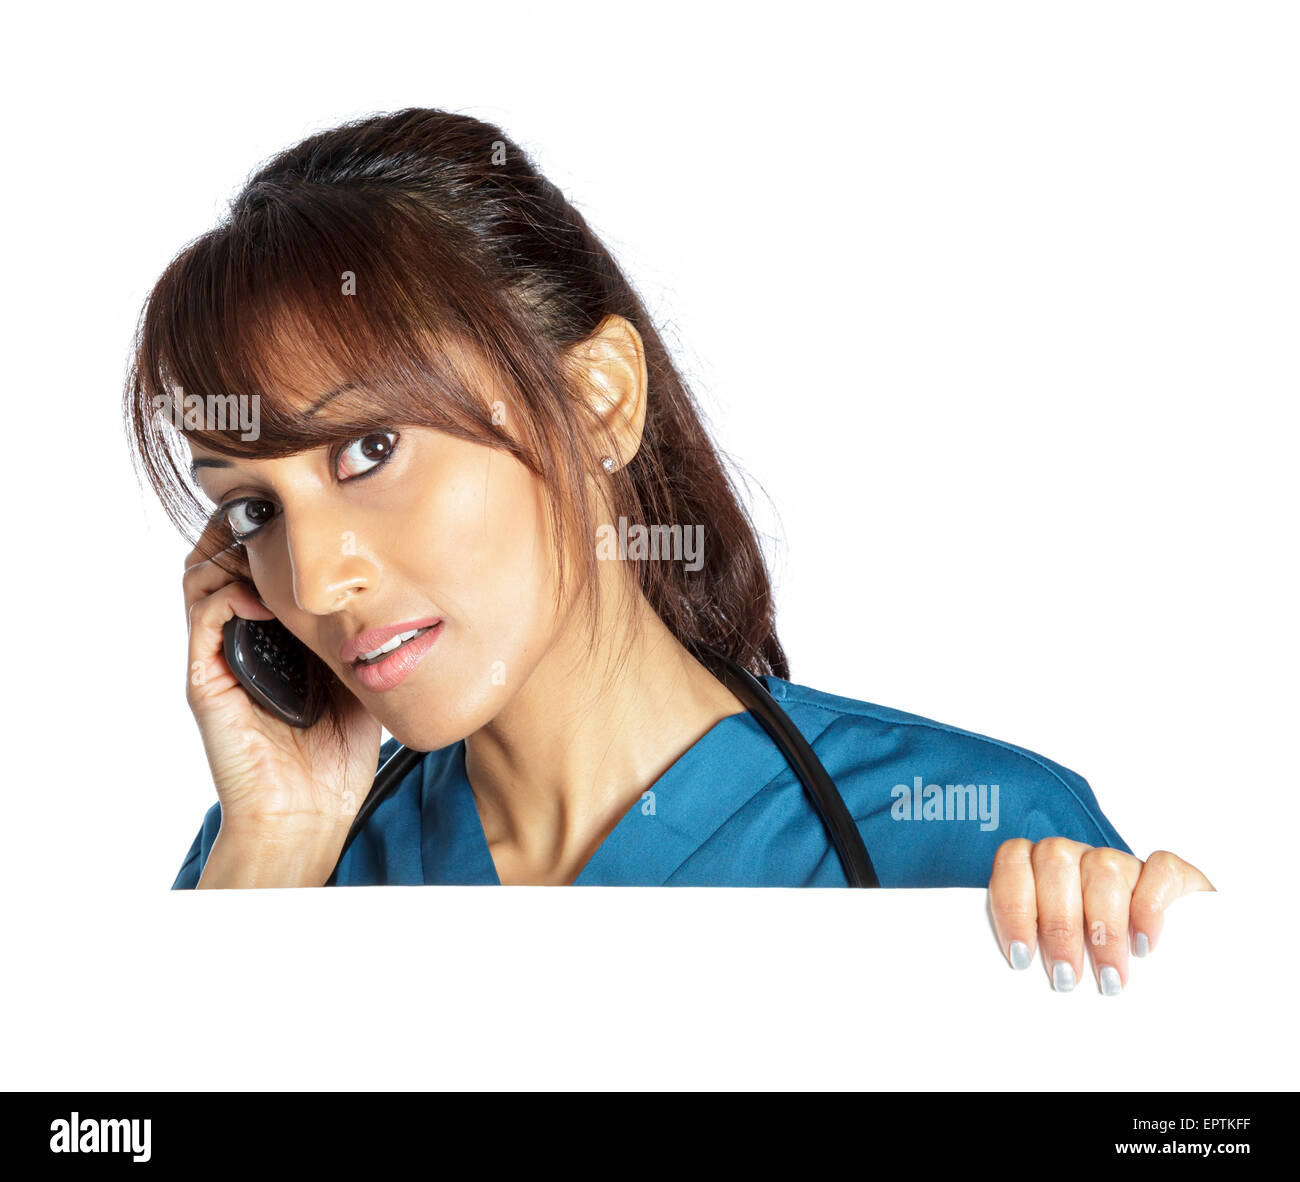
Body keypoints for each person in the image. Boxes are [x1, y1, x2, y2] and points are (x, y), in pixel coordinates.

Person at [124, 107, 1212, 994]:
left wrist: (1196, 1028)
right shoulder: (278, 870)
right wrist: (276, 847)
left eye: (368, 449)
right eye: (255, 511)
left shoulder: (981, 850)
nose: (317, 578)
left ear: (600, 402)